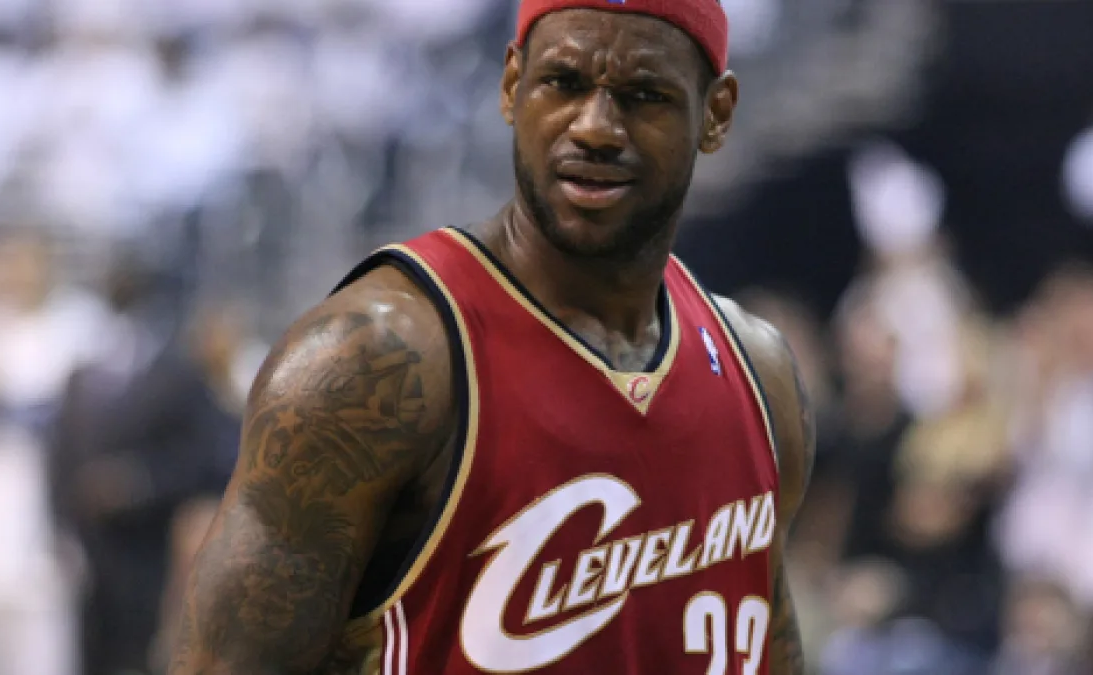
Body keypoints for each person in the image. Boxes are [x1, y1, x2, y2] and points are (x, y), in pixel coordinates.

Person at [168, 1, 816, 673]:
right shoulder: (374, 358)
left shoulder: (759, 374)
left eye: (644, 95)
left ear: (716, 114)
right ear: (512, 86)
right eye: (563, 83)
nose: (595, 127)